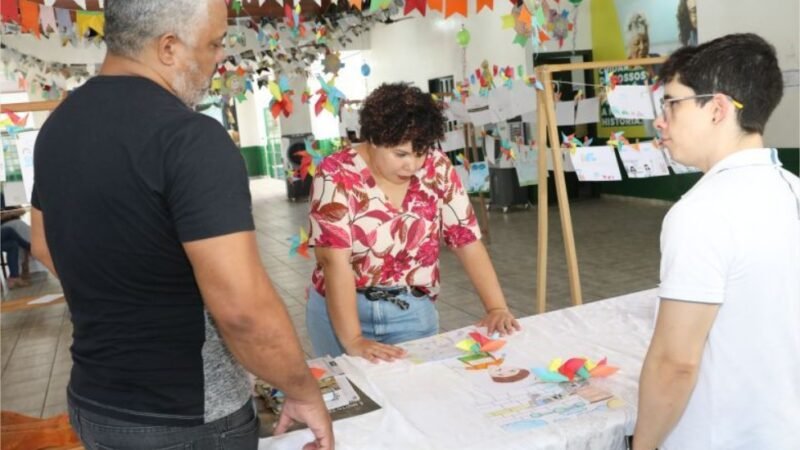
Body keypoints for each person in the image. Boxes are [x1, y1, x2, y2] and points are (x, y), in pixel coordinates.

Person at [30, 1, 333, 449]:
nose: (217, 60)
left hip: (94, 404)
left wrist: (125, 299)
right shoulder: (190, 138)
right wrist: (303, 389)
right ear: (169, 47)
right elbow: (243, 309)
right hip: (187, 419)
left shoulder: (58, 127)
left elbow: (42, 242)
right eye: (213, 44)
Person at [634, 34, 800, 450]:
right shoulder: (792, 189)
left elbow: (675, 363)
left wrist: (642, 445)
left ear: (718, 109)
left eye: (671, 103)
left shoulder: (700, 213)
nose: (661, 120)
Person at [305, 83, 520, 363]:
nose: (413, 165)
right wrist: (354, 339)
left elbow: (466, 239)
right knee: (358, 400)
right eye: (401, 154)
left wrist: (496, 307)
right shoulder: (335, 173)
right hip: (340, 314)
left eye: (420, 152)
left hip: (410, 311)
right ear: (372, 139)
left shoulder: (437, 167)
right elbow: (335, 261)